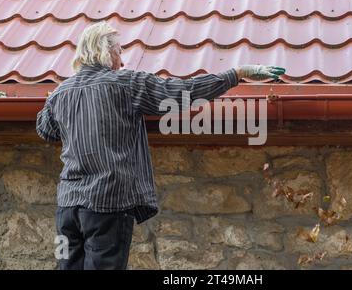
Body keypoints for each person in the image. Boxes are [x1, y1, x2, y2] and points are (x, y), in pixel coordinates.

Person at [36, 21, 285, 270]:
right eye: (119, 51)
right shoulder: (125, 83)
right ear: (105, 51)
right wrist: (236, 73)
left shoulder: (60, 93)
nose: (121, 61)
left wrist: (66, 109)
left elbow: (45, 130)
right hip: (106, 205)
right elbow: (182, 93)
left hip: (67, 211)